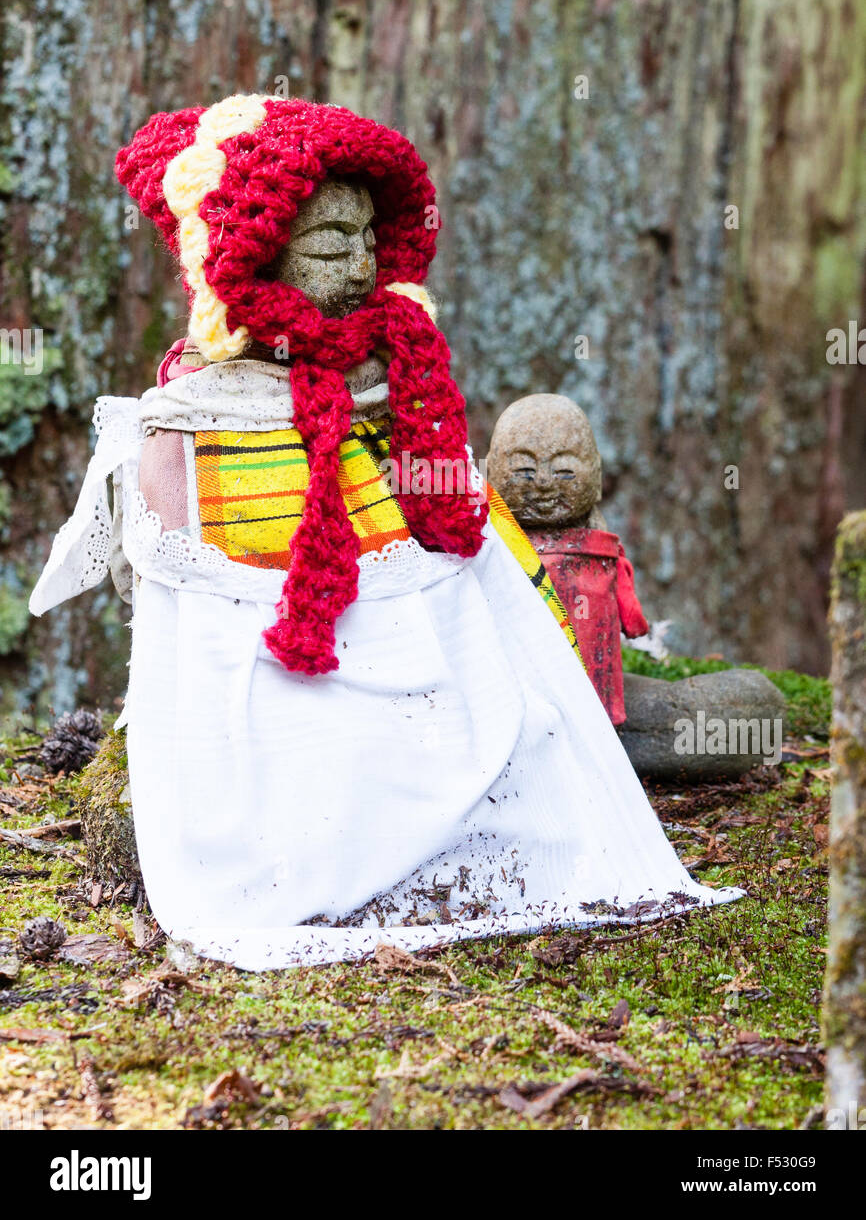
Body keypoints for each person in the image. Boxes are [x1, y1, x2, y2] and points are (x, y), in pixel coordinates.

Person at [30, 95, 740, 969]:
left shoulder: (398, 375)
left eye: (369, 238)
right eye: (332, 244)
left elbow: (455, 513)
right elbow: (170, 559)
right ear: (246, 259)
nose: (362, 263)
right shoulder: (199, 407)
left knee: (485, 706)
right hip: (266, 626)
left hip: (404, 594)